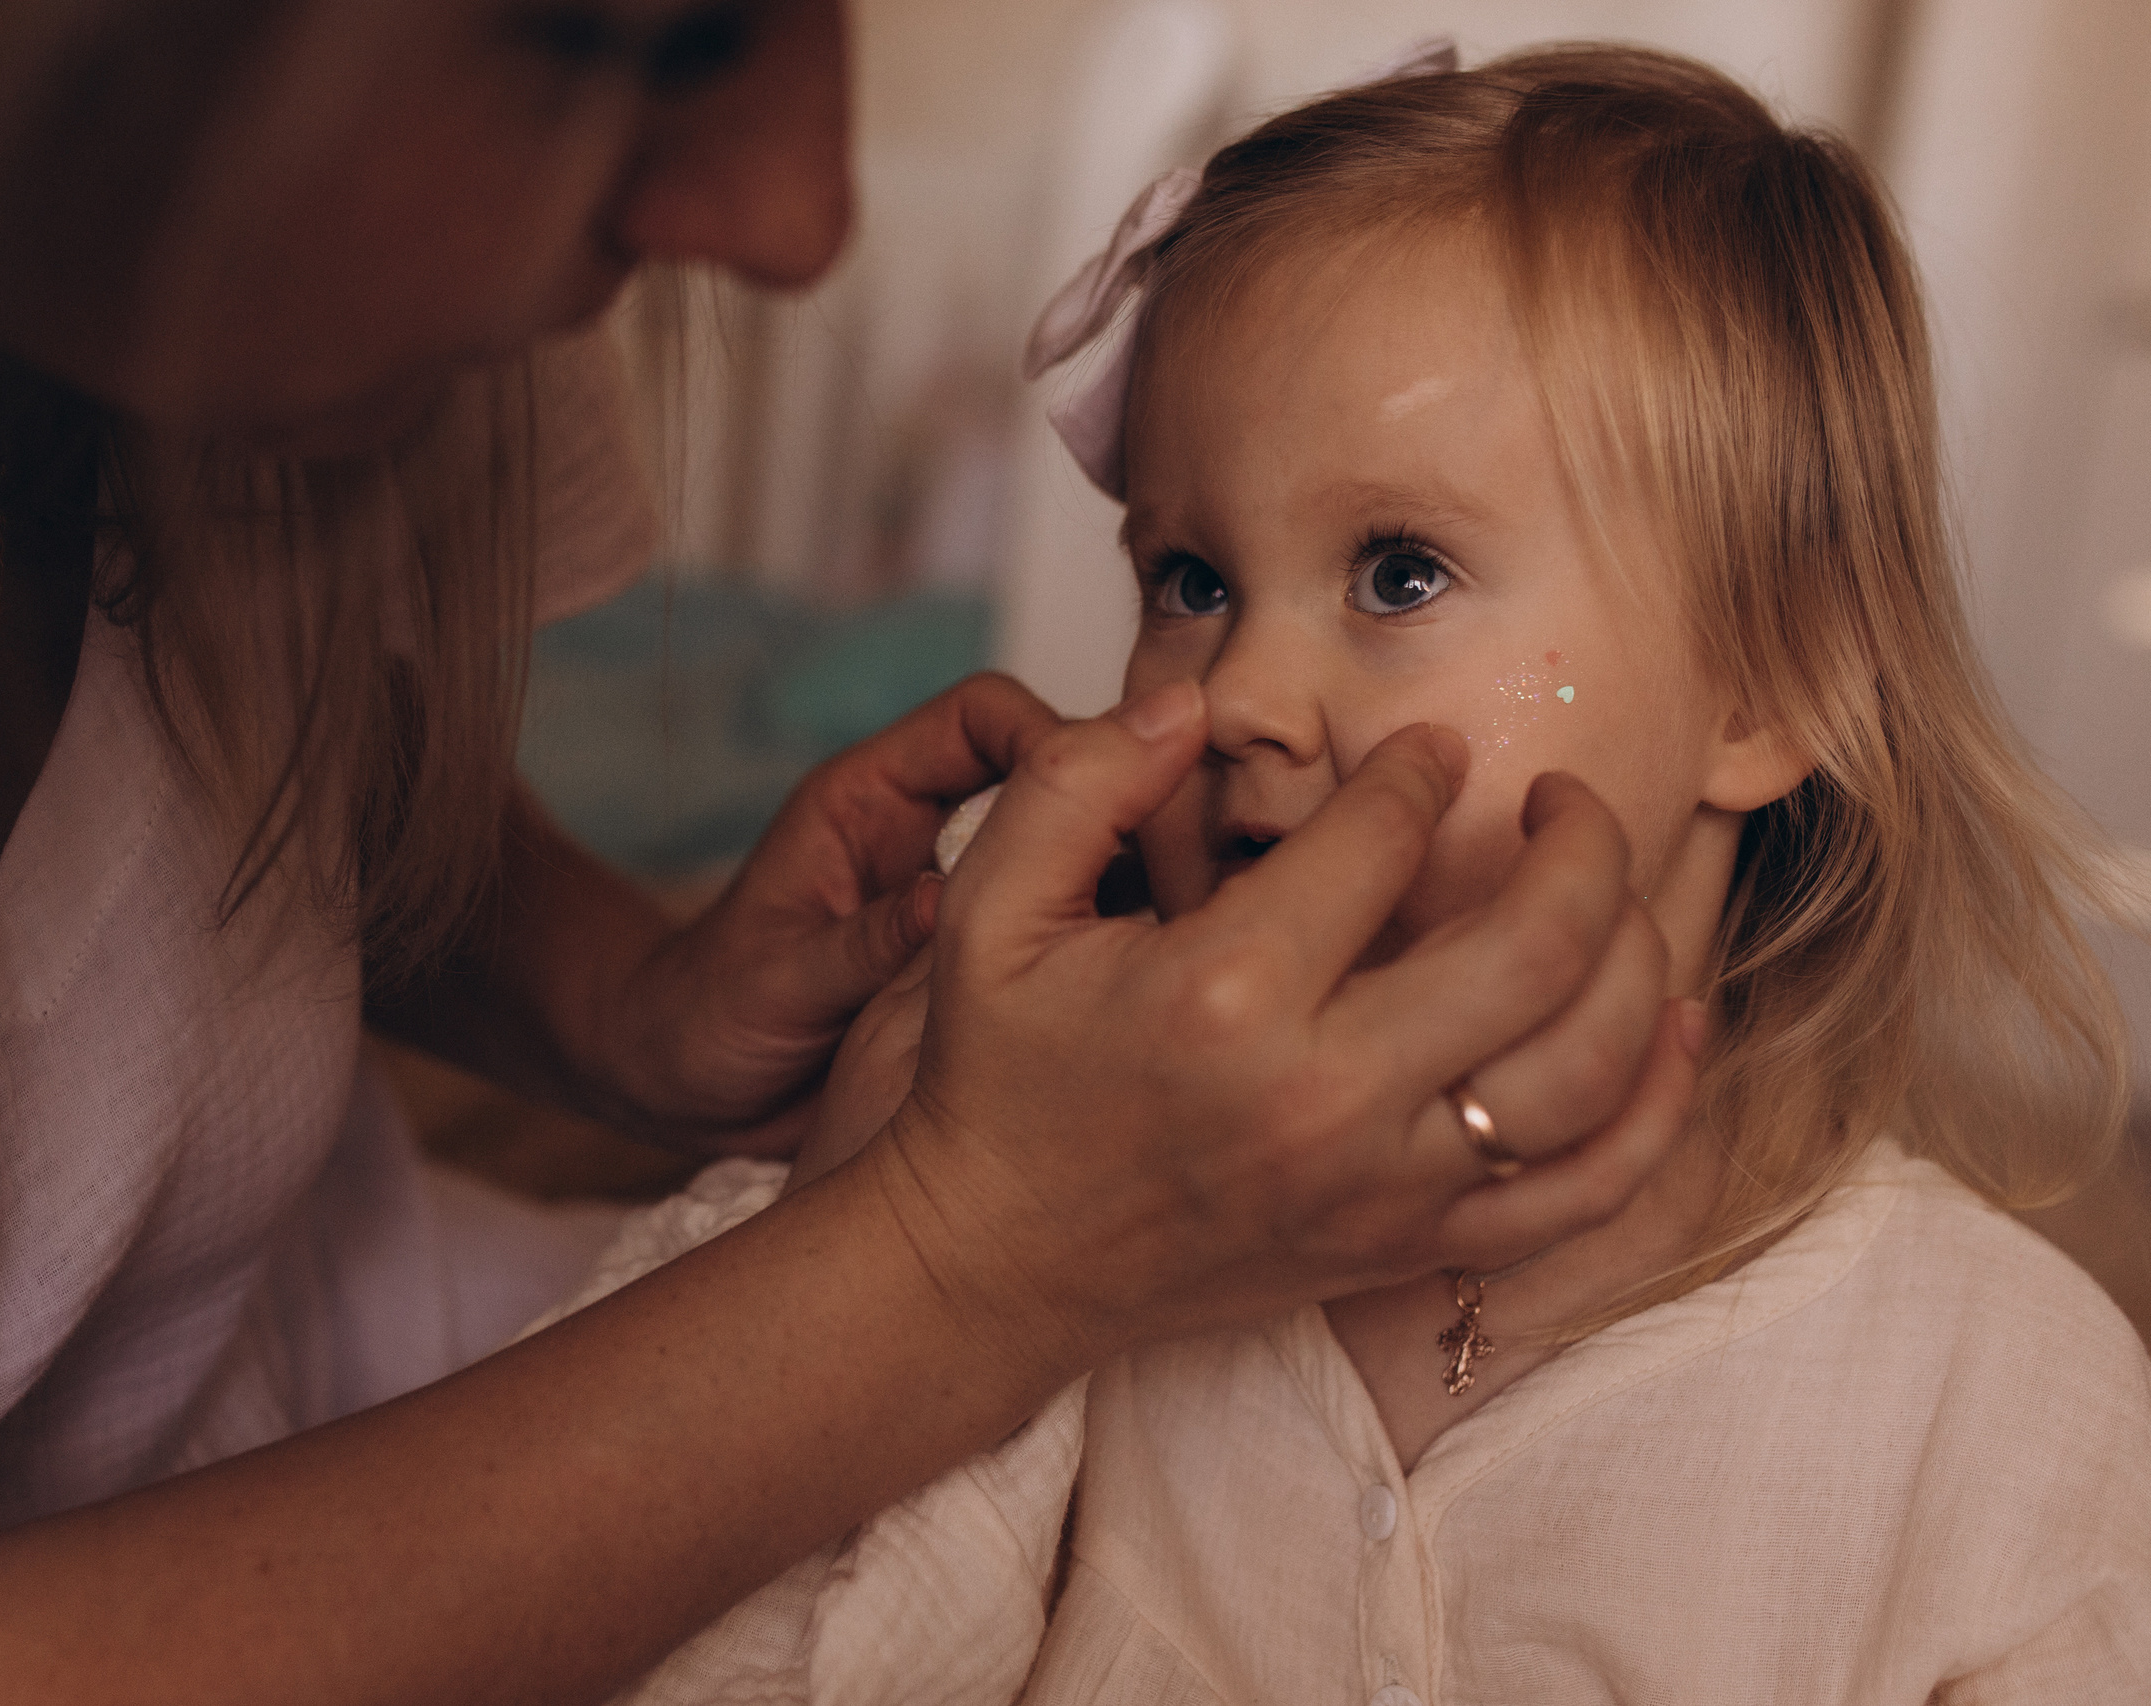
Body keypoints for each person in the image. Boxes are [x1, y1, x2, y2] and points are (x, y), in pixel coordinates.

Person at [0, 7, 1703, 1703]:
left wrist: (623, 997)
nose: (799, 215)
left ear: (1792, 692)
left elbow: (209, 787)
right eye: (641, 30)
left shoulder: (1963, 1387)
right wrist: (972, 1245)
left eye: (1402, 569)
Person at [559, 43, 2151, 1704]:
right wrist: (891, 1193)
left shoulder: (1995, 1403)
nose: (1235, 688)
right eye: (1189, 576)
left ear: (1767, 690)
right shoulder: (1044, 1201)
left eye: (1397, 572)